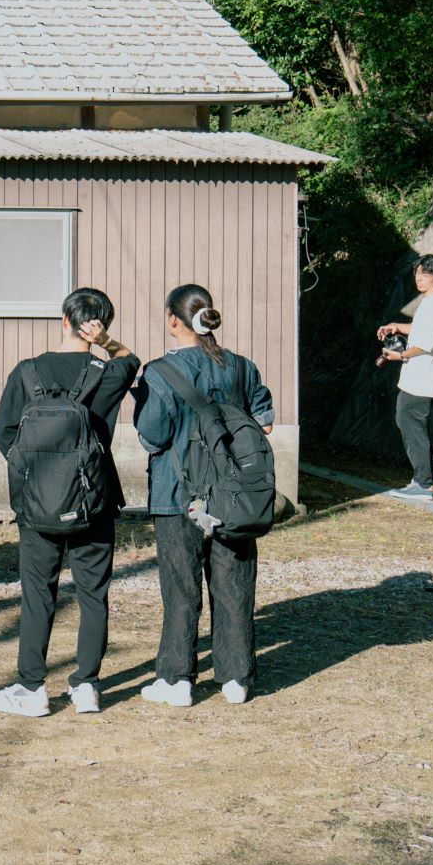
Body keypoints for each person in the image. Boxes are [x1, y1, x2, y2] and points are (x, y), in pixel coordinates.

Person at [0, 288, 138, 717]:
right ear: (99, 325)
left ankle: (32, 687)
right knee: (93, 593)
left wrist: (37, 476)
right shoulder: (105, 372)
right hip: (93, 499)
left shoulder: (27, 372)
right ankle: (86, 684)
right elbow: (131, 359)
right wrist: (105, 343)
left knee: (38, 593)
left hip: (37, 503)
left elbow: (5, 438)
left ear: (62, 321)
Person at [132, 284, 275, 707]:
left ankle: (177, 679)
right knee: (234, 583)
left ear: (172, 319)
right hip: (234, 494)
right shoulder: (241, 367)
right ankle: (236, 678)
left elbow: (153, 435)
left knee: (180, 586)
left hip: (177, 494)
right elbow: (263, 422)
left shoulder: (159, 372)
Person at [379, 254, 433, 500]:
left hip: (422, 378)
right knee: (410, 423)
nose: (419, 279)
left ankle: (423, 483)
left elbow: (426, 343)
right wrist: (397, 326)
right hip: (420, 377)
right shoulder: (432, 301)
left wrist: (400, 356)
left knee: (409, 423)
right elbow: (422, 330)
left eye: (425, 275)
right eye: (417, 273)